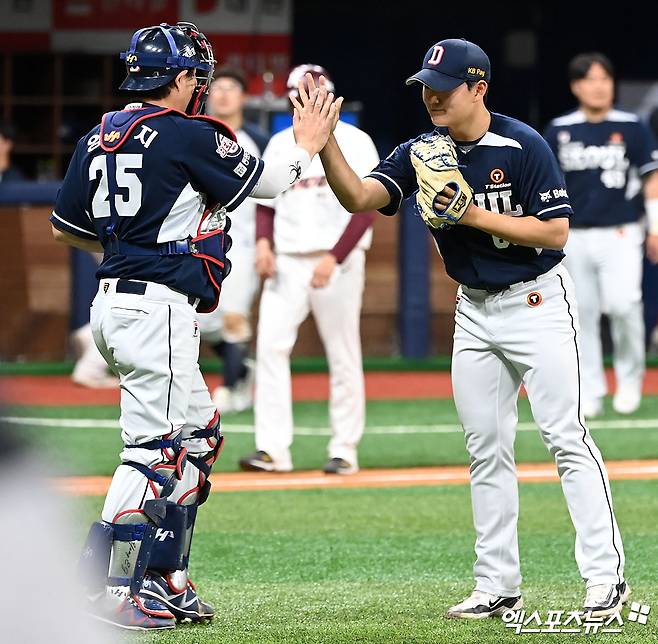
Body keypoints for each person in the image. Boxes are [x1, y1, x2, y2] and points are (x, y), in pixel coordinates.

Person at [317, 38, 628, 618]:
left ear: (478, 87)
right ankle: (496, 584)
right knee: (486, 449)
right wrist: (326, 142)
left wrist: (474, 215)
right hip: (475, 311)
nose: (431, 96)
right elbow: (359, 197)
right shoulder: (420, 150)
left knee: (566, 439)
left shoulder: (522, 143)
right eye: (425, 87)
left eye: (443, 86)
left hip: (537, 303)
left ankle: (606, 580)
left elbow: (556, 233)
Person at [49, 21, 339, 631]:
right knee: (152, 449)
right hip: (156, 310)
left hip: (118, 303)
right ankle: (105, 588)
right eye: (196, 77)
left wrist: (132, 253)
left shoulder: (97, 136)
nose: (200, 87)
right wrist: (305, 139)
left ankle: (163, 577)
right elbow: (274, 183)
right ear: (182, 79)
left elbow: (66, 228)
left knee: (198, 440)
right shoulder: (185, 134)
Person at [238, 64, 379, 475]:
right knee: (269, 350)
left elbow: (365, 206)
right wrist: (264, 243)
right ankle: (272, 449)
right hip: (287, 260)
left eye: (316, 91)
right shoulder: (282, 142)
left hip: (337, 261)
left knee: (343, 353)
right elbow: (266, 201)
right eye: (300, 93)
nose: (308, 98)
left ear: (330, 94)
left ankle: (344, 449)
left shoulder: (356, 140)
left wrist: (335, 256)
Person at [544, 53, 658, 418]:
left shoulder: (632, 126)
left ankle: (629, 379)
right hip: (574, 234)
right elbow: (546, 184)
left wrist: (655, 226)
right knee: (582, 314)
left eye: (605, 79)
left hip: (622, 230)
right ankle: (590, 388)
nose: (599, 86)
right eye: (591, 80)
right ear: (576, 86)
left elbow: (652, 179)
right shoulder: (560, 129)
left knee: (625, 305)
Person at [197, 67, 269, 413]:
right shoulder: (194, 134)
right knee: (201, 323)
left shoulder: (259, 141)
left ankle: (229, 388)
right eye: (218, 87)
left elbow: (274, 196)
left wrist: (266, 245)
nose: (223, 94)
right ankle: (241, 369)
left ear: (243, 97)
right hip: (200, 244)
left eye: (231, 88)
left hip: (242, 244)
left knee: (234, 318)